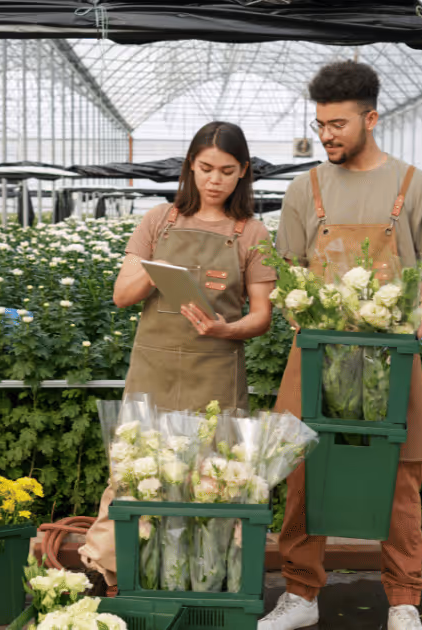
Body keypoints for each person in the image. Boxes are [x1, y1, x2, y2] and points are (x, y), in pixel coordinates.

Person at [258, 61, 422, 630]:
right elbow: (288, 268)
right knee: (301, 469)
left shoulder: (414, 186)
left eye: (338, 124)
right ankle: (300, 595)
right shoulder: (305, 188)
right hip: (315, 354)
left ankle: (403, 600)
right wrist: (297, 306)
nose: (327, 135)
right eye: (321, 124)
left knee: (400, 474)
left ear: (371, 118)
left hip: (390, 360)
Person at [79, 121, 278, 587]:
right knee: (136, 472)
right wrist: (158, 274)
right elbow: (122, 295)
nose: (215, 180)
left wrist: (226, 328)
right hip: (153, 367)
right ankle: (119, 575)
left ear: (243, 173)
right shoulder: (159, 220)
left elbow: (262, 316)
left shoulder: (252, 233)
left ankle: (209, 580)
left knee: (213, 477)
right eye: (206, 168)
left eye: (227, 171)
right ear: (190, 166)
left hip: (216, 368)